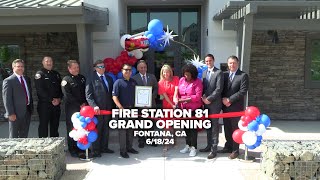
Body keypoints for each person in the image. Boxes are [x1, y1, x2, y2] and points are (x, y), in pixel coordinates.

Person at [219, 55, 249, 159]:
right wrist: (223, 99)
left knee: (235, 129)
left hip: (236, 108)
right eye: (230, 63)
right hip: (226, 107)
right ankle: (228, 146)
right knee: (227, 128)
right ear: (228, 64)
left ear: (238, 63)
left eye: (234, 63)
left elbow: (243, 91)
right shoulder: (224, 75)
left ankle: (235, 150)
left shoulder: (243, 75)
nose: (232, 65)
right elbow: (220, 89)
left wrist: (229, 100)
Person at [86, 60, 115, 158]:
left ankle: (104, 147)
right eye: (99, 67)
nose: (102, 68)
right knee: (97, 129)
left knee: (106, 129)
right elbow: (88, 95)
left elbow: (111, 94)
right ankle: (96, 150)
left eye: (103, 66)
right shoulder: (91, 78)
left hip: (107, 109)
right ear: (95, 68)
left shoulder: (109, 78)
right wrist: (94, 106)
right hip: (97, 110)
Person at [200, 54, 224, 159]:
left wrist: (209, 99)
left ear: (213, 61)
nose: (208, 63)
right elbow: (203, 88)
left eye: (210, 61)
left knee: (214, 127)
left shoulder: (219, 72)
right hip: (206, 104)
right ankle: (209, 145)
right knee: (208, 126)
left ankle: (214, 149)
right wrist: (204, 98)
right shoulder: (204, 73)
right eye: (206, 61)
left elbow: (219, 89)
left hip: (214, 104)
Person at [61, 60, 87, 158]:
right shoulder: (66, 80)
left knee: (82, 127)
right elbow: (68, 96)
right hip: (72, 109)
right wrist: (79, 104)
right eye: (74, 67)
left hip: (83, 108)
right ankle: (72, 149)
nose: (76, 69)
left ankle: (82, 148)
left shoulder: (82, 78)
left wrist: (84, 103)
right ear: (69, 68)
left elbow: (86, 92)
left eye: (77, 67)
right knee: (72, 129)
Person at [112, 64, 139, 158]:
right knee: (122, 132)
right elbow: (114, 97)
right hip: (122, 110)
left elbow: (138, 95)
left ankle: (129, 147)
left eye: (129, 70)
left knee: (130, 130)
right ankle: (123, 151)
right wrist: (120, 108)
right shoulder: (118, 82)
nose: (128, 71)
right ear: (122, 71)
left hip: (132, 110)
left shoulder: (134, 82)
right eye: (126, 70)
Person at [2, 59, 33, 138]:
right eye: (18, 66)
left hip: (27, 111)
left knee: (24, 135)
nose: (20, 68)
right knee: (14, 136)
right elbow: (7, 98)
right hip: (15, 113)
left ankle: (22, 150)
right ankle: (13, 150)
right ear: (13, 68)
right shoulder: (8, 81)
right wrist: (10, 113)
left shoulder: (26, 79)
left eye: (22, 66)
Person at [178, 64, 203, 157]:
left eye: (188, 75)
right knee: (186, 129)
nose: (186, 76)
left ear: (193, 74)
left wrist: (185, 99)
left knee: (193, 129)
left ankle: (194, 148)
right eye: (185, 74)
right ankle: (188, 145)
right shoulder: (181, 80)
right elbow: (179, 93)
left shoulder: (198, 82)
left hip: (194, 109)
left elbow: (197, 96)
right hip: (183, 109)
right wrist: (177, 99)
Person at [132, 60, 158, 148]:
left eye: (144, 67)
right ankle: (141, 140)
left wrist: (151, 97)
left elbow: (156, 89)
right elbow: (133, 92)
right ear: (138, 68)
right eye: (141, 67)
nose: (143, 69)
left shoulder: (152, 77)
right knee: (141, 124)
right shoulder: (134, 78)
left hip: (151, 104)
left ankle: (151, 139)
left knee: (151, 123)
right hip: (140, 106)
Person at [35, 56, 63, 138]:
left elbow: (60, 89)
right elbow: (40, 90)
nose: (49, 63)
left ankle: (55, 146)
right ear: (43, 62)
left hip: (56, 105)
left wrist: (59, 99)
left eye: (50, 61)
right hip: (44, 105)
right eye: (47, 61)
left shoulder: (56, 74)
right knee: (43, 127)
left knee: (55, 127)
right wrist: (51, 100)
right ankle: (43, 147)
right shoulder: (39, 74)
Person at [158, 64, 179, 152]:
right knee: (166, 126)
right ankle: (166, 144)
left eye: (167, 71)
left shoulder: (176, 78)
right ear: (162, 73)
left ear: (170, 72)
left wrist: (175, 98)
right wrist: (172, 104)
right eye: (164, 72)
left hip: (175, 102)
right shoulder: (160, 82)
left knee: (175, 125)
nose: (166, 73)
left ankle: (175, 142)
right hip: (167, 105)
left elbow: (176, 89)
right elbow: (165, 96)